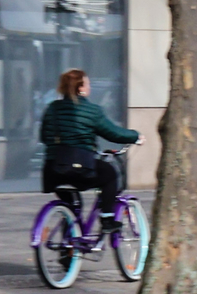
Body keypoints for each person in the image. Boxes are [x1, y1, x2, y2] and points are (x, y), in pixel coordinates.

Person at [39, 69, 140, 221]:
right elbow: (113, 133)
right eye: (87, 84)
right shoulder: (92, 110)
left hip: (52, 170)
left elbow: (44, 136)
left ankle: (69, 239)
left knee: (70, 206)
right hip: (79, 169)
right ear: (81, 88)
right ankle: (107, 218)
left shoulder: (52, 108)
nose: (89, 87)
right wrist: (135, 136)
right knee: (110, 174)